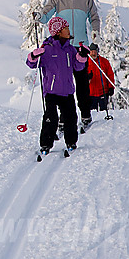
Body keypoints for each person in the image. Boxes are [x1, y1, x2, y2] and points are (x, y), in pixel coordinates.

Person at [35, 0, 100, 129]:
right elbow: (46, 14)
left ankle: (85, 114)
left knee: (82, 81)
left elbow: (94, 18)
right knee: (64, 83)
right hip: (62, 48)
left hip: (80, 46)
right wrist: (39, 16)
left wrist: (95, 39)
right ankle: (65, 117)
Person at [26, 16, 89, 155]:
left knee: (71, 118)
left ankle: (71, 142)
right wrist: (33, 56)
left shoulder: (70, 49)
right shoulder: (47, 50)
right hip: (51, 92)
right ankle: (45, 145)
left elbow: (78, 67)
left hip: (67, 91)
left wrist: (82, 57)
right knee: (51, 118)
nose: (68, 30)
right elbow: (31, 64)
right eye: (66, 28)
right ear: (58, 32)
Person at [86, 43, 115, 116]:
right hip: (91, 93)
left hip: (103, 92)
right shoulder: (86, 62)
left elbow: (110, 75)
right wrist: (87, 77)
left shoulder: (104, 61)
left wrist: (111, 87)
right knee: (92, 113)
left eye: (95, 51)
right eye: (92, 51)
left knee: (104, 112)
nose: (93, 53)